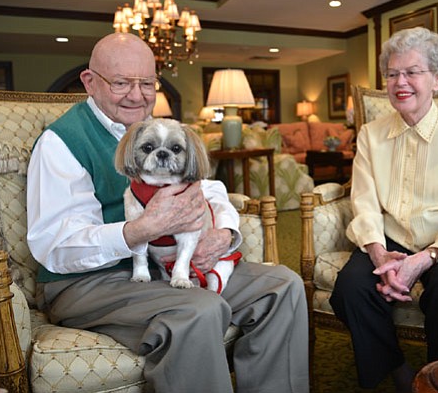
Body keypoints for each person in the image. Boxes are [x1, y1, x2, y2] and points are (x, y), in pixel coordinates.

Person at [26, 32, 309, 393]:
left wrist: (223, 232)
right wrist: (140, 230)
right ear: (90, 82)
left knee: (282, 286)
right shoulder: (62, 142)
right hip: (88, 282)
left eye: (147, 83)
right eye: (121, 83)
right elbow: (55, 245)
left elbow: (210, 189)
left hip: (166, 267)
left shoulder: (157, 130)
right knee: (198, 311)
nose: (137, 94)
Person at [329, 27, 438, 392]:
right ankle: (399, 369)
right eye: (391, 73)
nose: (400, 82)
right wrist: (377, 252)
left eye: (411, 72)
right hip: (389, 237)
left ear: (437, 79)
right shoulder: (371, 135)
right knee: (351, 288)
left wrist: (423, 260)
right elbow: (365, 202)